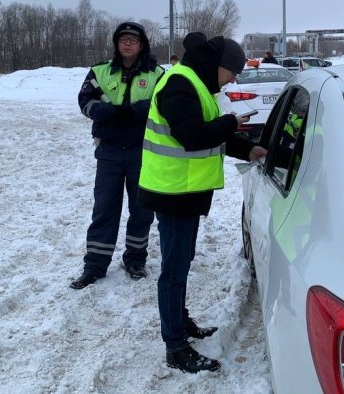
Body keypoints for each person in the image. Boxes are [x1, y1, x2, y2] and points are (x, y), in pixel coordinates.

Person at [138, 32, 268, 373]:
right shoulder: (180, 84)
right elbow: (193, 136)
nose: (234, 79)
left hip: (185, 191)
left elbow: (212, 136)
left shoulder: (196, 82)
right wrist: (231, 122)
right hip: (173, 192)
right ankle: (175, 346)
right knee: (173, 270)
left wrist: (246, 147)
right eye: (233, 72)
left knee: (181, 262)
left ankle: (180, 324)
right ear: (218, 65)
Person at [70, 21, 164, 290]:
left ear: (142, 44)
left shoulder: (157, 74)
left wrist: (134, 111)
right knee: (104, 209)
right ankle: (95, 265)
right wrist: (109, 112)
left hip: (142, 152)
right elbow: (85, 101)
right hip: (109, 151)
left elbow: (162, 103)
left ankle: (135, 259)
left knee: (142, 209)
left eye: (133, 40)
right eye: (123, 39)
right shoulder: (100, 71)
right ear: (116, 43)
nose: (128, 43)